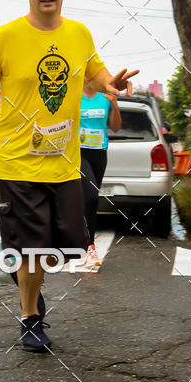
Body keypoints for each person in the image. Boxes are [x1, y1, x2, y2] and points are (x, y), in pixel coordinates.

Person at [0, 0, 138, 353]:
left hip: (64, 161)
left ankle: (27, 278)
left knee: (66, 244)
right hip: (17, 161)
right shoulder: (6, 37)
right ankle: (30, 319)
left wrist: (114, 83)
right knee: (32, 247)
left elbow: (97, 73)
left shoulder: (79, 34)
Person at [79, 81, 121, 269]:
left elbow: (116, 127)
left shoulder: (104, 97)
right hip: (79, 152)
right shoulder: (74, 96)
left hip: (99, 153)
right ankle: (90, 247)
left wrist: (115, 104)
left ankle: (82, 240)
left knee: (89, 198)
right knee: (91, 198)